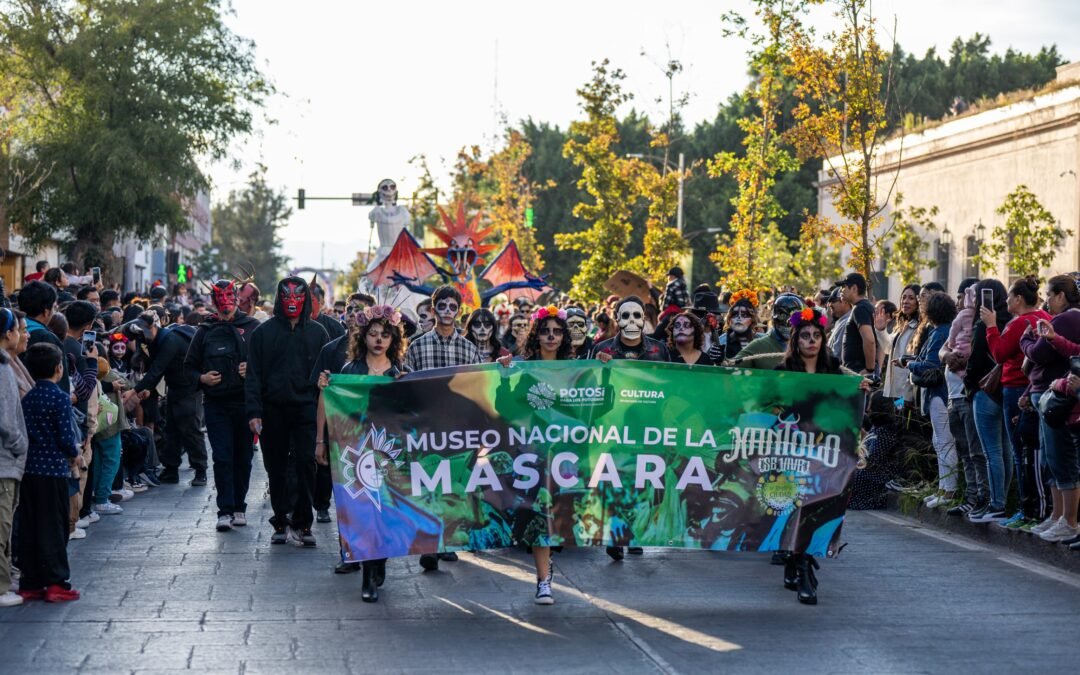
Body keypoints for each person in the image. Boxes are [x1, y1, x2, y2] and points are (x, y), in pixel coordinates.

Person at [774, 306, 869, 605]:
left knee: (812, 506)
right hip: (791, 448)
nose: (811, 341)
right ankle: (797, 564)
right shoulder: (784, 371)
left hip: (825, 451)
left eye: (816, 335)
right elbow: (769, 403)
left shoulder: (833, 369)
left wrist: (859, 390)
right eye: (805, 336)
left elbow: (845, 402)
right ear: (796, 340)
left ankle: (801, 566)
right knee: (790, 506)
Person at [316, 304, 409, 602]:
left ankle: (379, 561)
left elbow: (414, 413)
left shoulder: (400, 373)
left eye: (384, 335)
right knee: (364, 511)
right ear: (363, 337)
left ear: (393, 339)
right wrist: (321, 440)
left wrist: (406, 388)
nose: (379, 340)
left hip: (390, 453)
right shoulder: (350, 370)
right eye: (373, 334)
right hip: (356, 452)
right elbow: (330, 404)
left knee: (386, 512)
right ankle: (368, 575)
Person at [496, 305, 573, 604]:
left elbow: (598, 406)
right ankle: (544, 580)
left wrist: (604, 375)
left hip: (567, 455)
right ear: (536, 335)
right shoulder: (523, 370)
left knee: (559, 515)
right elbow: (506, 408)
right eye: (545, 331)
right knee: (540, 514)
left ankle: (546, 570)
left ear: (563, 337)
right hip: (532, 455)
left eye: (557, 332)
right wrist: (504, 377)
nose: (551, 337)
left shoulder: (576, 370)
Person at [246, 276, 329, 547]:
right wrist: (254, 412)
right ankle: (280, 519)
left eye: (297, 296)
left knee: (307, 464)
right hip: (273, 410)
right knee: (276, 468)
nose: (292, 302)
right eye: (287, 296)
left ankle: (303, 523)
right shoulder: (263, 333)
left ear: (306, 299)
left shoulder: (318, 333)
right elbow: (254, 376)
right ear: (280, 299)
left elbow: (329, 374)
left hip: (306, 409)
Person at [405, 285, 480, 571]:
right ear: (433, 309)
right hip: (426, 427)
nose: (447, 312)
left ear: (459, 311)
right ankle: (429, 544)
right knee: (428, 485)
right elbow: (406, 386)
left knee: (454, 486)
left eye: (453, 307)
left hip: (459, 429)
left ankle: (446, 541)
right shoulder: (417, 346)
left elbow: (477, 390)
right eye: (442, 306)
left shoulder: (469, 349)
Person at [185, 280, 260, 532]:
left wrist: (252, 371)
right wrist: (201, 378)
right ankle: (225, 509)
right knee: (222, 457)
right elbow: (188, 367)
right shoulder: (204, 330)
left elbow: (268, 365)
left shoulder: (253, 328)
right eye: (221, 305)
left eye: (230, 304)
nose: (226, 310)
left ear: (238, 301)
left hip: (246, 404)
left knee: (244, 457)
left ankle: (239, 506)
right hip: (216, 405)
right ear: (214, 304)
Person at [16, 343, 80, 603]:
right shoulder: (59, 397)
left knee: (30, 525)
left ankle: (30, 581)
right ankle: (56, 582)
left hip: (28, 469)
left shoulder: (27, 397)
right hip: (53, 469)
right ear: (59, 368)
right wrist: (74, 451)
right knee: (54, 525)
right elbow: (66, 436)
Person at [984, 278, 1049, 528]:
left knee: (1019, 450)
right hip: (1035, 387)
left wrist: (990, 326)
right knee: (1034, 450)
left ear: (1019, 299)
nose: (1006, 302)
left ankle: (1027, 508)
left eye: (1010, 297)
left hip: (1016, 389)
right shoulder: (1044, 317)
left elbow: (999, 353)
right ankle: (1037, 506)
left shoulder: (1020, 322)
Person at [1023, 275, 1080, 541]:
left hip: (1063, 399)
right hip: (1053, 394)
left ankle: (1068, 521)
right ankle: (1057, 516)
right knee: (1052, 461)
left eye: (1049, 294)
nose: (1046, 301)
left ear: (1061, 296)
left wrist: (1028, 341)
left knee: (1061, 461)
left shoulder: (1068, 318)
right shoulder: (1060, 322)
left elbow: (1039, 354)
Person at [130, 311, 204, 486]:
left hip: (190, 387)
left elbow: (157, 369)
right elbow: (157, 369)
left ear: (154, 326)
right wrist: (147, 388)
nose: (143, 336)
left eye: (145, 331)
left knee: (191, 428)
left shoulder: (169, 340)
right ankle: (171, 469)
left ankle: (201, 470)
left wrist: (134, 390)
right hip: (176, 387)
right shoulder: (158, 339)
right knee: (172, 429)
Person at [964, 279, 1012, 523]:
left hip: (985, 391)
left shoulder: (985, 324)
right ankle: (1003, 500)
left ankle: (996, 503)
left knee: (991, 450)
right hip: (1007, 390)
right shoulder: (1011, 322)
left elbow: (975, 360)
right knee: (1005, 449)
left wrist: (970, 385)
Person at [940, 279, 989, 516]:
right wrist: (948, 355)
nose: (959, 301)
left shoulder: (981, 324)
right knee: (963, 450)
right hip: (953, 397)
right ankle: (969, 496)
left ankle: (982, 497)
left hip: (969, 396)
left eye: (964, 296)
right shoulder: (957, 324)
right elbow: (943, 348)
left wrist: (963, 359)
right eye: (959, 296)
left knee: (975, 451)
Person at [907, 292, 959, 508]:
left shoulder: (939, 333)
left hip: (938, 393)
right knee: (940, 441)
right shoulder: (946, 330)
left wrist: (908, 364)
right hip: (941, 392)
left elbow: (930, 365)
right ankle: (943, 488)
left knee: (943, 442)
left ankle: (949, 490)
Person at [0, 308, 29, 607]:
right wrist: (20, 445)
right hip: (5, 459)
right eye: (19, 329)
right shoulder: (3, 368)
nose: (23, 334)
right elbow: (7, 420)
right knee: (2, 524)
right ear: (8, 333)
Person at [849, 391, 901, 510]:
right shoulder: (878, 426)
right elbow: (870, 443)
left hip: (876, 477)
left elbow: (872, 460)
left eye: (871, 403)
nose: (868, 408)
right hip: (870, 471)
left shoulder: (885, 430)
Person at [732, 293, 805, 370]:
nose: (787, 321)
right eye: (782, 315)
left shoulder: (807, 346)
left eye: (793, 317)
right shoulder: (759, 346)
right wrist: (720, 362)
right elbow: (730, 369)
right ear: (773, 317)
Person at [883, 284, 920, 405]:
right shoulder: (901, 325)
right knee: (899, 420)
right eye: (903, 297)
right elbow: (888, 349)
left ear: (918, 301)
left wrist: (907, 393)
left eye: (911, 298)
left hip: (907, 391)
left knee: (906, 421)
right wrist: (880, 330)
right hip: (896, 389)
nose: (905, 301)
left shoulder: (919, 327)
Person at [838, 273, 877, 375]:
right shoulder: (863, 307)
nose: (841, 290)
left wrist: (869, 369)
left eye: (843, 287)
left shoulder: (860, 309)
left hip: (859, 372)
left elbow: (869, 340)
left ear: (854, 288)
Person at [708, 289, 757, 361]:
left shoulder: (762, 342)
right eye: (735, 314)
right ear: (729, 319)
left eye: (744, 315)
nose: (739, 318)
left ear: (752, 319)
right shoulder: (721, 342)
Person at [826, 288, 850, 361]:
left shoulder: (846, 322)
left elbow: (836, 356)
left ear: (845, 301)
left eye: (833, 301)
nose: (829, 305)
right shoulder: (841, 321)